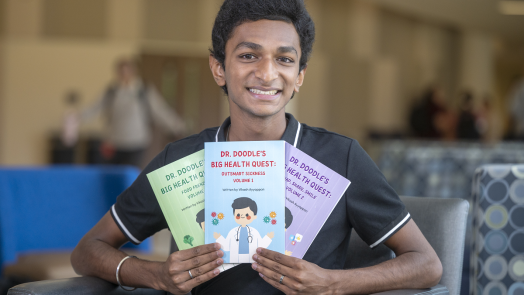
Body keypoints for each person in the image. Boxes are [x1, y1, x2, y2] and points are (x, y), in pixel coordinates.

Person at [71, 1, 442, 294]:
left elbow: (426, 264)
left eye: (284, 59)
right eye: (249, 55)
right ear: (219, 69)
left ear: (299, 77)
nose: (267, 74)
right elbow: (88, 250)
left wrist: (332, 284)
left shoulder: (340, 158)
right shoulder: (181, 159)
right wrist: (155, 275)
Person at [82, 59, 186, 167]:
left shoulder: (144, 90)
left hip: (137, 142)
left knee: (131, 175)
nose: (124, 74)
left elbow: (160, 110)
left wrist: (176, 125)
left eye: (127, 71)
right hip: (114, 142)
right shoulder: (111, 91)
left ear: (134, 71)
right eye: (121, 71)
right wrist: (76, 118)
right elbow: (94, 108)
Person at [213, 197, 274, 263]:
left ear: (254, 216)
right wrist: (219, 238)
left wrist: (268, 238)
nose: (242, 217)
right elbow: (227, 247)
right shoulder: (232, 232)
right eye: (238, 215)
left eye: (247, 215)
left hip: (252, 259)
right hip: (235, 260)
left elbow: (260, 245)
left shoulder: (255, 232)